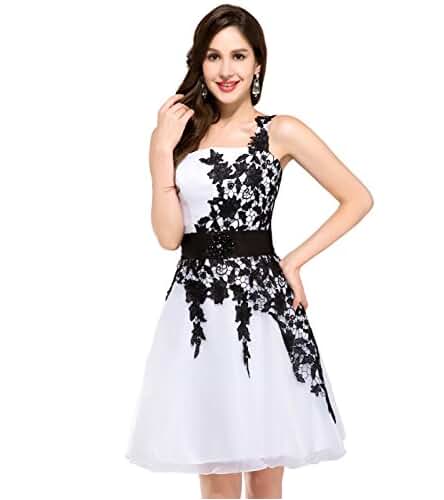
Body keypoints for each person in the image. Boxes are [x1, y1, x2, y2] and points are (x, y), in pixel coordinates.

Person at [126, 4, 373, 499]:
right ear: (199, 63)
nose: (226, 69)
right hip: (198, 308)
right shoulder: (182, 136)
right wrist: (159, 152)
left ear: (258, 62)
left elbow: (357, 198)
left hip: (261, 307)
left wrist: (293, 261)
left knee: (265, 477)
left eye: (238, 56)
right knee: (216, 475)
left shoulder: (280, 131)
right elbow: (170, 237)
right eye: (214, 56)